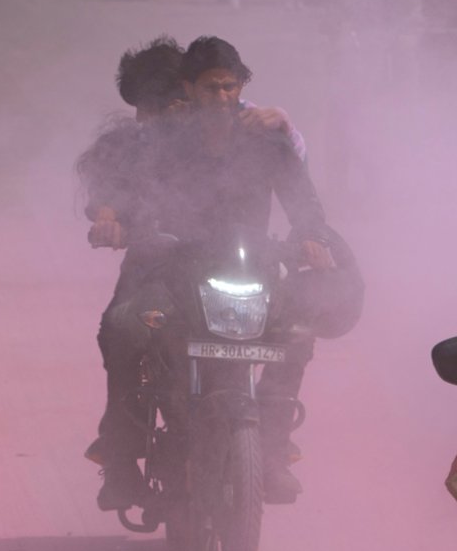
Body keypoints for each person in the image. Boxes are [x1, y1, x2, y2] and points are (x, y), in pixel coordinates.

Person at [84, 38, 359, 509]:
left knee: (296, 331)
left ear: (242, 87)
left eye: (230, 87)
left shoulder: (267, 139)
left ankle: (272, 447)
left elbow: (304, 203)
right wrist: (112, 220)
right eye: (211, 89)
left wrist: (312, 237)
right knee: (125, 326)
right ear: (189, 89)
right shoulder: (163, 141)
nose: (222, 98)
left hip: (252, 270)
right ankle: (123, 456)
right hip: (173, 273)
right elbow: (125, 187)